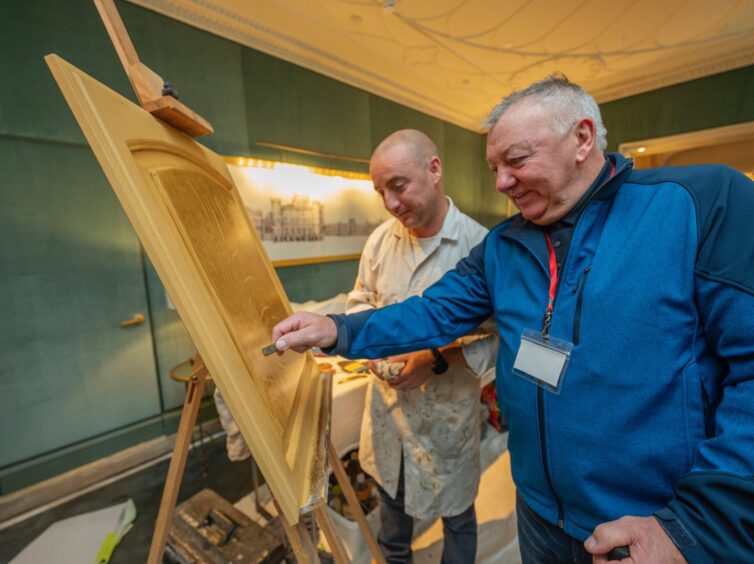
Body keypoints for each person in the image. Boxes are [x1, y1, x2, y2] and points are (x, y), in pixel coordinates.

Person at [272, 77, 754, 563]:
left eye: (516, 161)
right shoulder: (502, 245)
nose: (500, 182)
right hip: (538, 513)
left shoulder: (699, 203)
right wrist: (340, 328)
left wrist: (695, 526)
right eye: (495, 167)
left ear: (582, 138)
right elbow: (434, 311)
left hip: (648, 528)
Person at [345, 129, 497, 563]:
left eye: (398, 186)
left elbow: (505, 338)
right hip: (388, 421)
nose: (390, 204)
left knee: (458, 520)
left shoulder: (482, 247)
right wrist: (371, 347)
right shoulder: (379, 241)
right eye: (380, 192)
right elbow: (360, 302)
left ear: (434, 170)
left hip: (447, 424)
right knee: (392, 526)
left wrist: (437, 360)